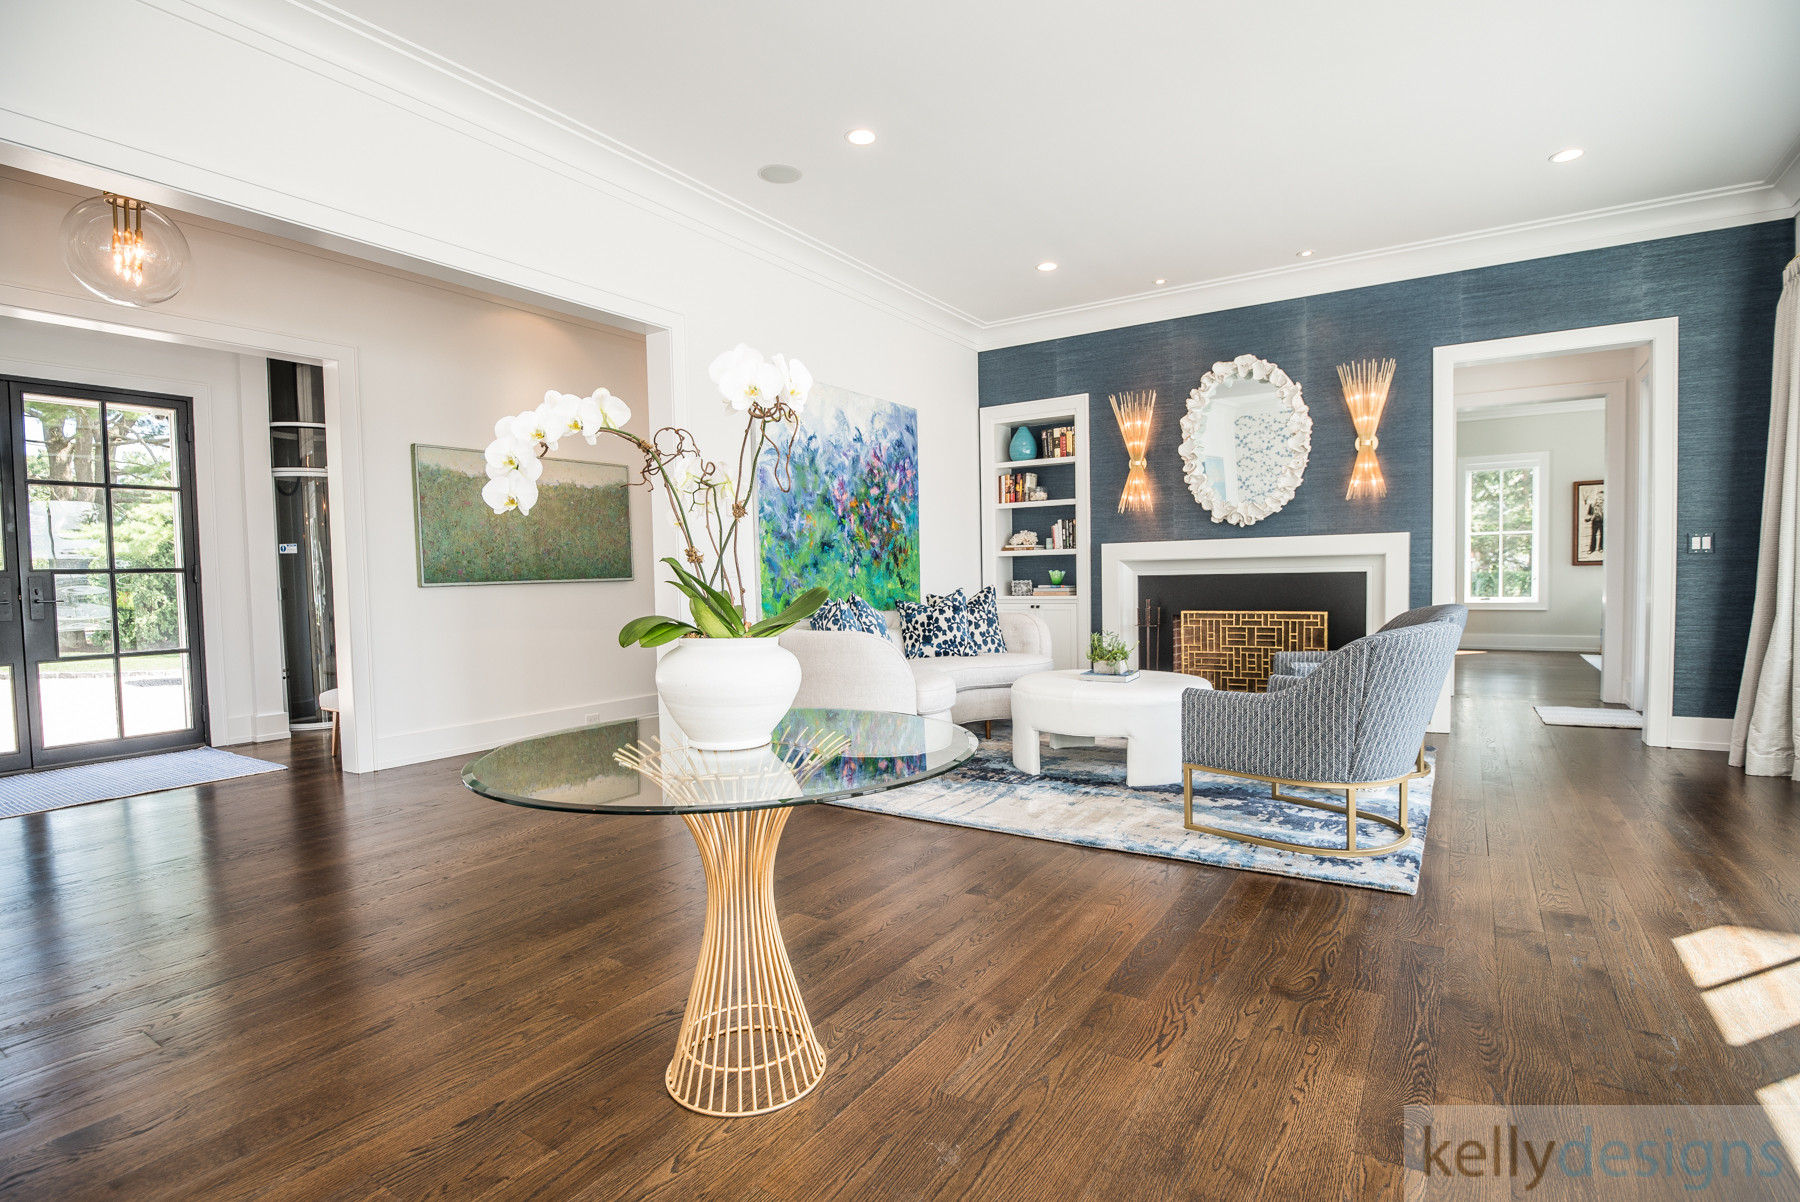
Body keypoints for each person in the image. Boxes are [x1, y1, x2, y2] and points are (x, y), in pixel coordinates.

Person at [1585, 489, 1604, 556]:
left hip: (1603, 522)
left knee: (1602, 535)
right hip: (1595, 521)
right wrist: (1589, 518)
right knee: (1593, 535)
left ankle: (1601, 548)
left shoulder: (1605, 505)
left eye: (1601, 497)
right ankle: (1592, 549)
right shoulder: (1592, 505)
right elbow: (1588, 514)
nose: (1600, 499)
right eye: (1599, 497)